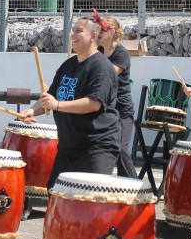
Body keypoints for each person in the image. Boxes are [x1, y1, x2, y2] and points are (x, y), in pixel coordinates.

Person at [21, 14, 119, 188]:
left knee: (88, 199)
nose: (72, 35)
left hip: (96, 146)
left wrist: (57, 105)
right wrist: (33, 110)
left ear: (94, 37)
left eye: (78, 31)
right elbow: (50, 96)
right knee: (57, 194)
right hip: (69, 145)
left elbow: (93, 103)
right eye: (73, 31)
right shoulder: (68, 65)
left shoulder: (101, 67)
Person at [97, 14, 137, 179]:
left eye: (101, 30)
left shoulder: (121, 53)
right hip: (106, 108)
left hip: (122, 109)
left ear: (111, 32)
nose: (97, 33)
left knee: (120, 148)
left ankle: (136, 189)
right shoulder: (98, 51)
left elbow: (109, 75)